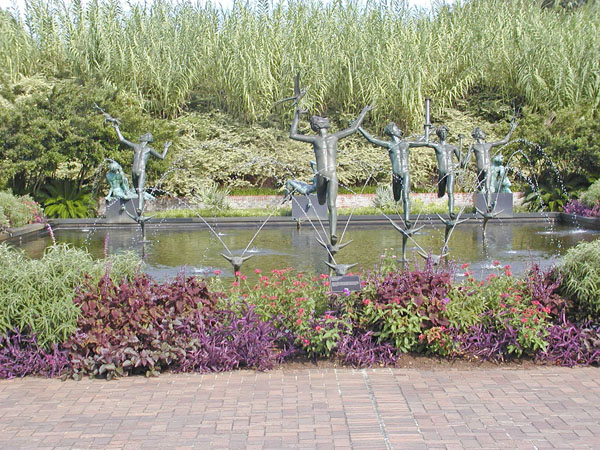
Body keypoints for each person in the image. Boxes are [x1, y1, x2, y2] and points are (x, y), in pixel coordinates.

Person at [289, 105, 372, 244]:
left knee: (325, 202)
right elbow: (353, 129)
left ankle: (333, 234)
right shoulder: (331, 137)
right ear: (322, 125)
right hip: (332, 174)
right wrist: (363, 112)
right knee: (330, 204)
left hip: (322, 174)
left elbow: (293, 134)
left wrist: (297, 115)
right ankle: (332, 233)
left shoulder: (317, 139)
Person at [358, 122, 426, 227]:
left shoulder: (406, 144)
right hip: (395, 175)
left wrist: (427, 131)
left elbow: (423, 142)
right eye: (397, 128)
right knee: (396, 196)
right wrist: (359, 127)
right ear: (392, 131)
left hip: (405, 173)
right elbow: (371, 139)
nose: (400, 130)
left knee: (405, 196)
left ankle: (407, 220)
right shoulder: (390, 145)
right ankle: (397, 200)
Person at [111, 124, 171, 215]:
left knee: (140, 190)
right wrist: (116, 128)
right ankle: (135, 208)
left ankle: (139, 209)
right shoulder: (136, 146)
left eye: (144, 136)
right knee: (136, 191)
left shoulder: (148, 149)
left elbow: (162, 157)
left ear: (146, 139)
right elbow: (122, 140)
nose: (141, 136)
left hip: (141, 171)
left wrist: (166, 148)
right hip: (134, 172)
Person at [462, 120, 517, 195]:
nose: (484, 134)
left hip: (486, 168)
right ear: (478, 135)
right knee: (482, 188)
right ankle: (486, 202)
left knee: (487, 187)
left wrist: (511, 130)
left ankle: (488, 203)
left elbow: (504, 141)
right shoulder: (476, 146)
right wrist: (463, 163)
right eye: (482, 132)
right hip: (483, 169)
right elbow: (466, 160)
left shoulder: (487, 145)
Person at [422, 126, 462, 218]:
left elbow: (462, 162)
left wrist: (456, 165)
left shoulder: (453, 147)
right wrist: (429, 131)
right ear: (439, 134)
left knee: (450, 191)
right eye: (441, 132)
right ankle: (440, 193)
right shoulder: (437, 146)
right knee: (441, 192)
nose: (443, 134)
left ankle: (451, 212)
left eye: (445, 132)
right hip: (441, 173)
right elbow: (425, 141)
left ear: (447, 134)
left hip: (450, 171)